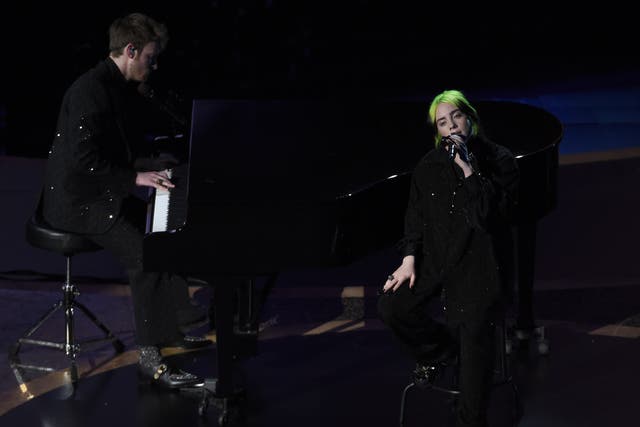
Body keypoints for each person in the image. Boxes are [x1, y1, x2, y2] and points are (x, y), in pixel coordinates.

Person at [40, 12, 210, 389]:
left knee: (162, 235)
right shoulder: (90, 91)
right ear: (131, 50)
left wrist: (146, 164)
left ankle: (173, 328)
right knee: (145, 255)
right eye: (150, 57)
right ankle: (150, 356)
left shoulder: (115, 86)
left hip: (101, 189)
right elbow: (84, 161)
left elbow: (110, 151)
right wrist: (135, 177)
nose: (154, 64)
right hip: (76, 200)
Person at [378, 89, 519, 426]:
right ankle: (445, 353)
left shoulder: (500, 161)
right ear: (438, 131)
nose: (452, 125)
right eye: (443, 122)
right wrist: (409, 258)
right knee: (391, 305)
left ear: (470, 118)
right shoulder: (428, 166)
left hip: (478, 269)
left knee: (471, 405)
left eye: (456, 116)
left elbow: (485, 217)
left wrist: (469, 169)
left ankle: (469, 370)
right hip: (438, 261)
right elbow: (415, 218)